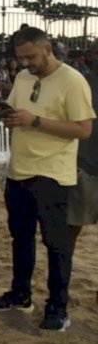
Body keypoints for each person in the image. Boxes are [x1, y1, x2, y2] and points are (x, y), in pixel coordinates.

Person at [0, 27, 94, 331]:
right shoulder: (23, 77)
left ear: (48, 49)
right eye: (21, 58)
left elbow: (84, 129)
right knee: (20, 237)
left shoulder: (72, 80)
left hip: (53, 174)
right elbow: (21, 112)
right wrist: (12, 119)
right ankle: (20, 294)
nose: (25, 63)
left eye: (31, 56)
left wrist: (36, 121)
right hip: (18, 170)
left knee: (56, 244)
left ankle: (58, 308)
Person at [67, 42, 98, 303]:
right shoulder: (80, 84)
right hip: (83, 166)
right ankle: (61, 286)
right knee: (70, 231)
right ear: (90, 56)